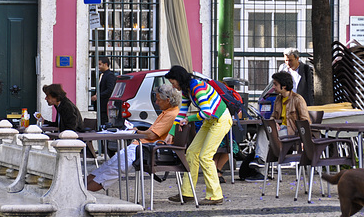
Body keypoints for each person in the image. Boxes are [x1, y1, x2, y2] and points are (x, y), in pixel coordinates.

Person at [86, 83, 181, 191]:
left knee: (111, 170)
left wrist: (136, 131)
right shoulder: (167, 112)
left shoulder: (171, 115)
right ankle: (82, 189)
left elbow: (152, 135)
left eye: (159, 100)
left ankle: (85, 192)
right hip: (141, 147)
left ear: (168, 100)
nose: (156, 102)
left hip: (146, 149)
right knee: (107, 166)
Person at [164, 65, 232, 205]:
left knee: (205, 156)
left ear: (179, 79)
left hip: (220, 119)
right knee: (191, 152)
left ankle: (215, 195)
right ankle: (187, 193)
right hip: (210, 120)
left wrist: (188, 119)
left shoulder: (197, 87)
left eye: (173, 82)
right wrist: (171, 133)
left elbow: (206, 112)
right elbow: (181, 113)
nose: (173, 86)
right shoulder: (186, 90)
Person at [247, 71, 311, 178]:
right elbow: (273, 116)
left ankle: (260, 166)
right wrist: (273, 123)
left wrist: (304, 138)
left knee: (267, 133)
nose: (273, 87)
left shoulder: (297, 99)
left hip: (293, 132)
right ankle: (260, 164)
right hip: (281, 129)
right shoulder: (278, 99)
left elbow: (305, 121)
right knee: (265, 129)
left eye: (275, 84)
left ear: (284, 86)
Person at [91, 57, 117, 125]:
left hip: (105, 105)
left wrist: (98, 96)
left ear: (105, 64)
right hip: (100, 105)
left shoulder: (109, 76)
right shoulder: (102, 75)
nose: (98, 66)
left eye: (100, 64)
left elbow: (110, 90)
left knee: (103, 122)